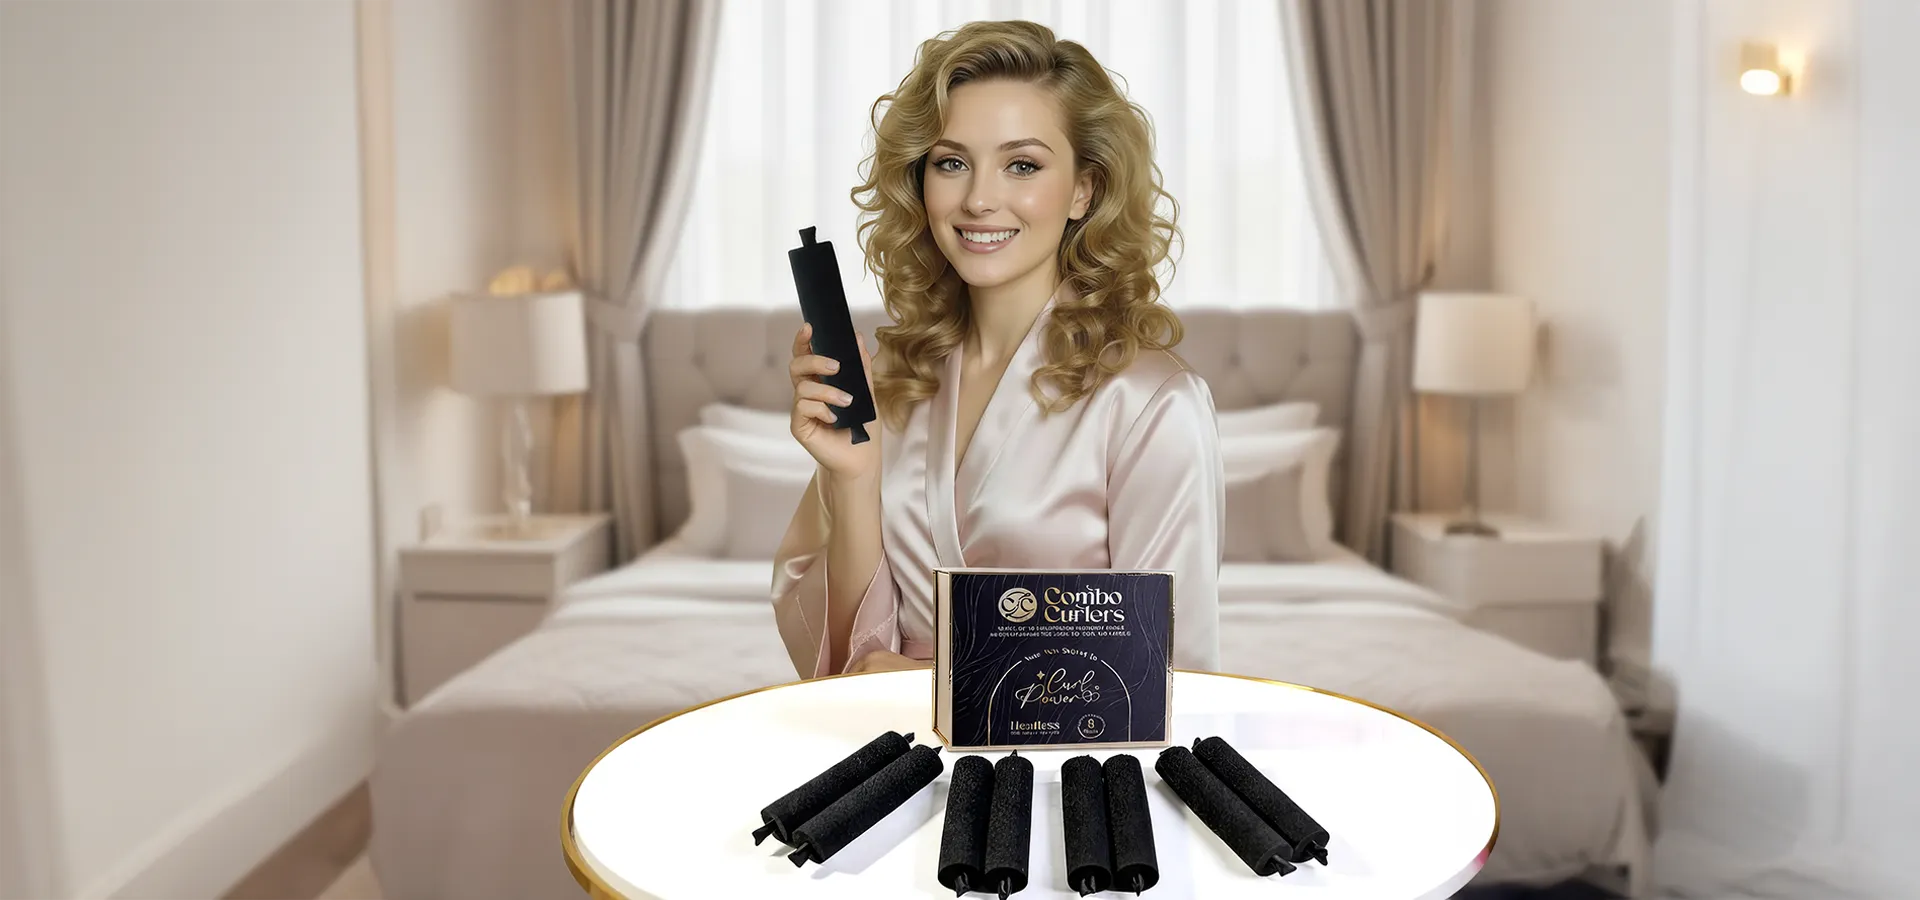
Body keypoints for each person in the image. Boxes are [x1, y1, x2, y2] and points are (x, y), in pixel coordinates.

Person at [771, 20, 1223, 679]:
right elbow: (849, 665)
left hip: (1068, 780)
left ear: (1083, 190)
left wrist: (931, 687)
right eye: (951, 163)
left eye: (1022, 165)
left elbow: (1168, 678)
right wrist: (854, 479)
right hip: (901, 770)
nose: (979, 199)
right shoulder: (894, 387)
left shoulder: (1152, 405)